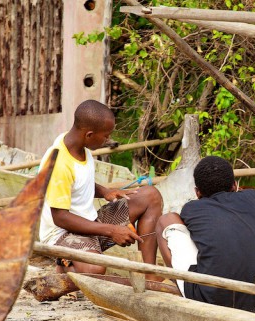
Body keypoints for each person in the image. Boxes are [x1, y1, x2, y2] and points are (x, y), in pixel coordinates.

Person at [155, 155, 255, 313]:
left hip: (208, 300)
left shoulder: (191, 208)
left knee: (165, 220)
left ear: (197, 192)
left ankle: (162, 280)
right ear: (234, 185)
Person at [38, 99, 163, 280]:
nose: (108, 140)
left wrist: (105, 192)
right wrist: (112, 231)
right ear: (88, 134)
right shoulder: (59, 163)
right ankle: (65, 265)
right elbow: (60, 217)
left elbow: (78, 183)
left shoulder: (77, 143)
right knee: (95, 270)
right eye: (105, 136)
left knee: (151, 196)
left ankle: (149, 274)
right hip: (62, 235)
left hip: (90, 224)